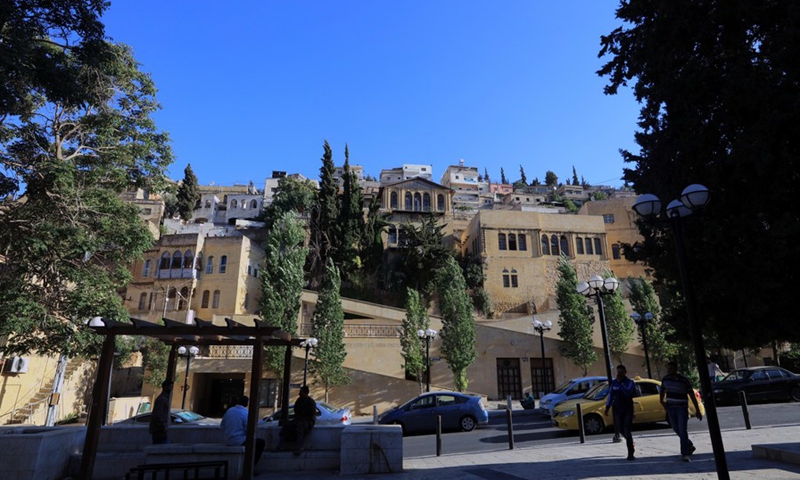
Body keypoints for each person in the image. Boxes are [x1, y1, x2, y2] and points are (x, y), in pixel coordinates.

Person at [661, 361, 703, 462]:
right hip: (671, 408)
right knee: (676, 428)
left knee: (683, 429)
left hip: (682, 408)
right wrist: (662, 402)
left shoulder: (684, 380)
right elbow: (662, 392)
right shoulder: (665, 380)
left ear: (676, 369)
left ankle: (685, 453)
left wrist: (697, 410)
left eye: (671, 368)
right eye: (668, 368)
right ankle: (688, 444)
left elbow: (691, 395)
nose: (669, 370)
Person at [221, 395, 265, 465]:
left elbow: (222, 425)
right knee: (260, 443)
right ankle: (252, 465)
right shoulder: (245, 413)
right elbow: (248, 429)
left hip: (228, 439)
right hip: (239, 440)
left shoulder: (229, 410)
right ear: (246, 403)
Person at [604, 365, 636, 460]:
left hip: (628, 409)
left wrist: (620, 384)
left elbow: (628, 393)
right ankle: (630, 441)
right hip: (617, 409)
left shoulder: (630, 382)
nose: (619, 374)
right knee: (620, 429)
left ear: (625, 372)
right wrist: (607, 407)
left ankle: (630, 453)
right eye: (618, 372)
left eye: (621, 372)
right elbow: (611, 395)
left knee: (627, 429)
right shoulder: (614, 383)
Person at [277, 385, 317, 455]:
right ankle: (281, 446)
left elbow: (311, 414)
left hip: (308, 420)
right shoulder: (299, 401)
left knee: (300, 427)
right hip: (299, 419)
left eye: (301, 392)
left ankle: (299, 447)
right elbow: (296, 410)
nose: (299, 394)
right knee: (286, 425)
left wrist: (303, 414)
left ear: (305, 392)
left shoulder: (311, 402)